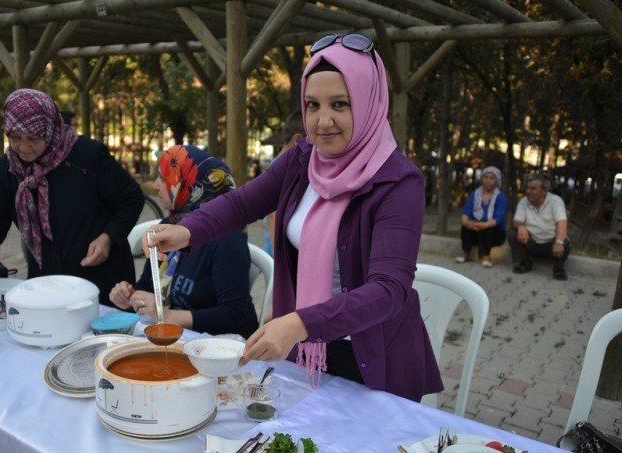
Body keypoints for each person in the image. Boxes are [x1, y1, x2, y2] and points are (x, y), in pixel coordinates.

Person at [144, 34, 442, 402]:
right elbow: (241, 204)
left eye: (340, 104)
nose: (323, 121)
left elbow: (388, 289)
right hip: (304, 345)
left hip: (372, 356)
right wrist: (186, 230)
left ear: (368, 103)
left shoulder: (398, 181)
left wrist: (300, 323)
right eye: (313, 105)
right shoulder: (302, 159)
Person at [0, 89, 144, 306]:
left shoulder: (87, 156)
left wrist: (108, 237)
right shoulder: (7, 171)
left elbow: (131, 198)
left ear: (49, 130)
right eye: (15, 137)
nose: (23, 147)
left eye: (33, 138)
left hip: (102, 280)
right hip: (46, 284)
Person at [109, 146, 258, 339]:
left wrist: (168, 315)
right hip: (174, 338)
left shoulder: (227, 239)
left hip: (213, 347)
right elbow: (148, 285)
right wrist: (129, 297)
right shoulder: (168, 226)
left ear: (190, 187)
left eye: (164, 179)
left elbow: (239, 315)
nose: (155, 185)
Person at [508, 174, 570, 280]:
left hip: (551, 244)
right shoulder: (524, 202)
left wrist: (558, 242)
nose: (528, 191)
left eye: (533, 189)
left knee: (564, 240)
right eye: (527, 188)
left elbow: (562, 222)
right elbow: (517, 221)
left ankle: (559, 268)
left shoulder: (555, 201)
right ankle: (525, 262)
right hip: (532, 243)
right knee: (513, 232)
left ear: (544, 191)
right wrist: (521, 226)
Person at [265, 110, 306, 256]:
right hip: (281, 256)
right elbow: (273, 216)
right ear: (297, 141)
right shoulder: (282, 170)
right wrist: (279, 258)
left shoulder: (280, 166)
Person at [455, 166, 508, 267]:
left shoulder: (501, 198)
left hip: (494, 234)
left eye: (491, 178)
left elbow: (498, 219)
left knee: (487, 229)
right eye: (486, 177)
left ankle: (486, 256)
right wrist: (468, 223)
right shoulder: (474, 194)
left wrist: (481, 225)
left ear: (496, 180)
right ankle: (465, 253)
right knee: (466, 228)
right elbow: (466, 213)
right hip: (475, 229)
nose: (488, 180)